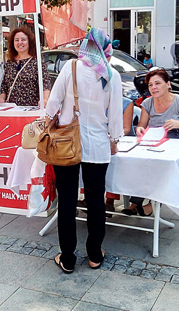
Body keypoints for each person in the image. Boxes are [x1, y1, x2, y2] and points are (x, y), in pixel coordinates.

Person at [45, 27, 123, 274]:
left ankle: (67, 257)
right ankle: (94, 255)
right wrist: (114, 140)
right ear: (105, 47)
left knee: (67, 200)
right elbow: (115, 117)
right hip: (98, 146)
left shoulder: (71, 67)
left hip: (67, 144)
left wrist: (48, 124)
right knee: (95, 201)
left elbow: (53, 103)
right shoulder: (112, 75)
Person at [122, 68, 179, 216]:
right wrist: (140, 129)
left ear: (168, 84)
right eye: (150, 85)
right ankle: (137, 203)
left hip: (178, 141)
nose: (153, 88)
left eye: (157, 83)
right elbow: (142, 125)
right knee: (142, 163)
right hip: (155, 141)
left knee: (161, 168)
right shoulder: (148, 103)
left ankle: (147, 205)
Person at [0, 26, 51, 107]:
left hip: (31, 109)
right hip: (12, 110)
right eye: (16, 40)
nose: (20, 43)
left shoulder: (38, 62)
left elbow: (46, 84)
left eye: (23, 40)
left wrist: (45, 100)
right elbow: (5, 85)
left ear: (29, 42)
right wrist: (2, 99)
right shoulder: (10, 62)